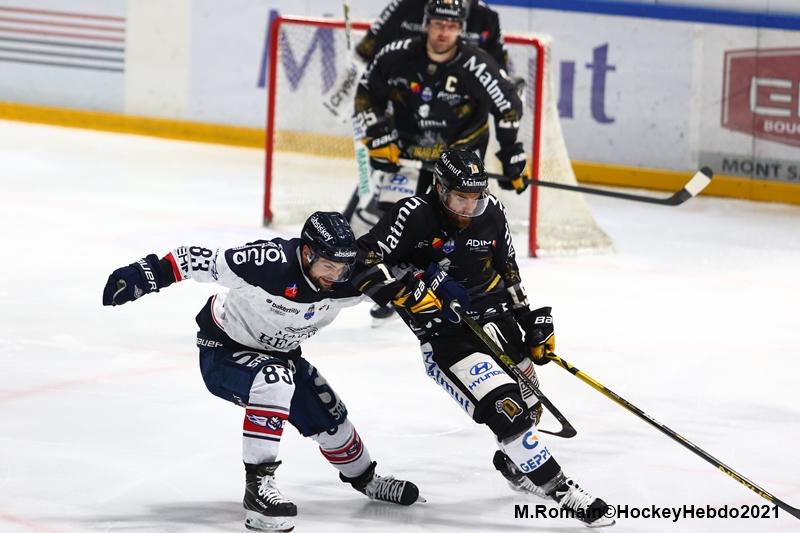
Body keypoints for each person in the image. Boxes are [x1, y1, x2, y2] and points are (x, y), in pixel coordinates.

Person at [101, 212, 421, 533]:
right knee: (274, 381)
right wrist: (145, 274)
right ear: (307, 252)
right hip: (223, 350)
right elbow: (195, 259)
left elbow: (404, 271)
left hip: (283, 357)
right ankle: (258, 490)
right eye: (328, 266)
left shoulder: (350, 279)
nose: (335, 276)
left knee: (331, 416)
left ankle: (367, 480)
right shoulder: (268, 261)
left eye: (342, 268)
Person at [350, 150, 614, 527]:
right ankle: (561, 490)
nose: (469, 207)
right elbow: (362, 259)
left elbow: (508, 270)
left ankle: (516, 467)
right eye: (461, 198)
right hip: (447, 336)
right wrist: (404, 292)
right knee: (507, 411)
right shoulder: (413, 214)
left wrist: (529, 320)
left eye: (476, 198)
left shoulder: (492, 212)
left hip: (497, 321)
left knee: (531, 408)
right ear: (439, 188)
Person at [353, 0, 529, 323]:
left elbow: (508, 106)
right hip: (411, 151)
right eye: (438, 24)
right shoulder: (397, 54)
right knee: (396, 215)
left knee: (455, 224)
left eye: (451, 26)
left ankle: (455, 285)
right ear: (426, 24)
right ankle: (397, 285)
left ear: (461, 29)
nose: (444, 32)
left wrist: (511, 155)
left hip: (458, 157)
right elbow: (366, 92)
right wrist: (379, 135)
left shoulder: (477, 64)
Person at [356, 0, 508, 71]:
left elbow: (500, 69)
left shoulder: (486, 17)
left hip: (460, 109)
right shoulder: (404, 6)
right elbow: (364, 55)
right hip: (402, 99)